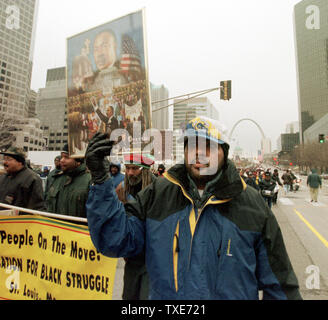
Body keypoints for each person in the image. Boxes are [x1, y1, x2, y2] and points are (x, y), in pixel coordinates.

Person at [85, 116, 301, 300]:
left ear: (224, 152)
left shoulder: (253, 205)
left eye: (208, 147)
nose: (199, 155)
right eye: (193, 146)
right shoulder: (157, 194)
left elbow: (281, 285)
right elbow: (114, 240)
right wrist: (100, 181)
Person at [115, 153, 156, 300]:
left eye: (135, 168)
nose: (130, 173)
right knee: (129, 295)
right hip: (132, 255)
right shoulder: (121, 189)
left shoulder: (158, 189)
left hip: (153, 255)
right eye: (127, 168)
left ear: (145, 169)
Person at [45, 144, 91, 218]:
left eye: (66, 157)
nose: (62, 160)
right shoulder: (57, 179)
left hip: (76, 229)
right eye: (62, 157)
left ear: (78, 161)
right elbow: (47, 204)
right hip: (54, 227)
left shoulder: (89, 181)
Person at [0, 147, 45, 211]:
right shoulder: (3, 177)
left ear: (20, 162)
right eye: (4, 159)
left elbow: (37, 206)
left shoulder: (32, 179)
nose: (4, 162)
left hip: (20, 219)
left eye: (9, 159)